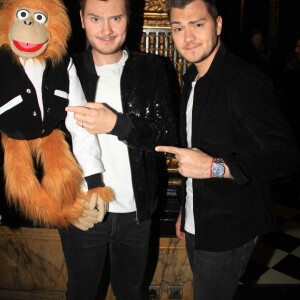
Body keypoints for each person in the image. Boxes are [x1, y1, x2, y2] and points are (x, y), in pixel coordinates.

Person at [155, 1, 300, 299]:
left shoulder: (244, 81)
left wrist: (213, 167)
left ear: (218, 25)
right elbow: (194, 154)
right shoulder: (190, 79)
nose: (188, 37)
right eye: (178, 28)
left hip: (231, 227)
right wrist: (187, 205)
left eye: (198, 25)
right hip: (199, 218)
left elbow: (286, 156)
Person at [59, 0, 178, 299]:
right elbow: (48, 144)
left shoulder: (151, 68)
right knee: (81, 292)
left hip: (135, 212)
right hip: (82, 210)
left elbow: (166, 135)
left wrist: (117, 124)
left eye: (116, 18)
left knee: (131, 292)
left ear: (129, 19)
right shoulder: (65, 69)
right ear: (82, 20)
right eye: (96, 19)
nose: (107, 30)